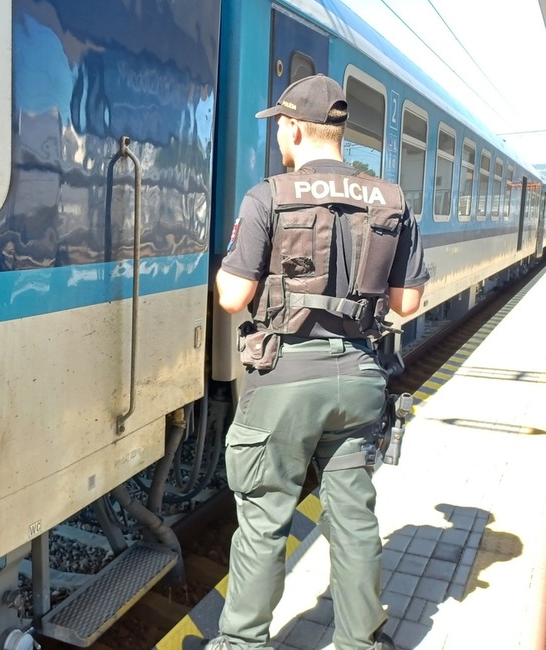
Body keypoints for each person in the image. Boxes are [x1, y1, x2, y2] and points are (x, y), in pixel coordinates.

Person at [206, 74, 429, 650]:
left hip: (282, 380)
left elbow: (233, 298)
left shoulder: (267, 196)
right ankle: (361, 641)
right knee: (353, 518)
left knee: (263, 522)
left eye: (279, 126)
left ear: (292, 128)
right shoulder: (392, 201)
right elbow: (405, 303)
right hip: (358, 377)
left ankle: (240, 644)